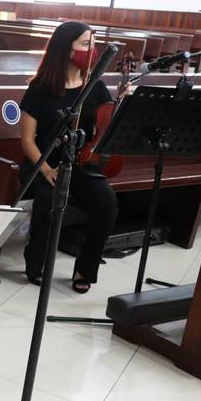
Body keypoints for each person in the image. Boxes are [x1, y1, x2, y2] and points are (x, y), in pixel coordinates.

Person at [19, 21, 121, 293]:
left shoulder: (95, 87)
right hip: (42, 162)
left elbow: (106, 126)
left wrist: (122, 101)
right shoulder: (39, 89)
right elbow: (28, 140)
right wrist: (47, 169)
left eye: (92, 44)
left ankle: (85, 268)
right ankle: (35, 260)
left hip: (80, 163)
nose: (92, 51)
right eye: (85, 45)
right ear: (66, 49)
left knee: (106, 202)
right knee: (49, 196)